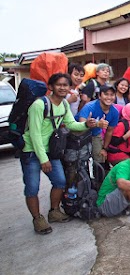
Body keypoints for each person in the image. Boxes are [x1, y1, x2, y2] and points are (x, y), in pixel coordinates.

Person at [21, 73, 97, 234]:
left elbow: (70, 124)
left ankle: (54, 211)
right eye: (59, 84)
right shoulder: (39, 105)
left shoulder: (63, 105)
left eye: (65, 85)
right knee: (32, 188)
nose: (62, 88)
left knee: (60, 182)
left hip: (50, 150)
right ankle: (37, 218)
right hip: (31, 151)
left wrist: (86, 125)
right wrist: (43, 159)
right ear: (51, 87)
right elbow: (34, 134)